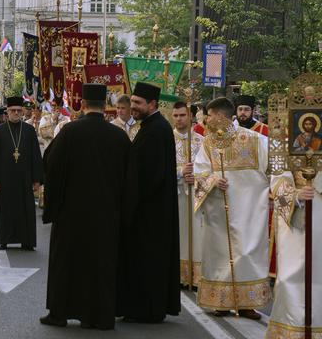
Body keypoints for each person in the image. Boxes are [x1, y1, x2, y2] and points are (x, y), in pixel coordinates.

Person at [40, 84, 129, 329]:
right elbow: (128, 176)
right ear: (105, 107)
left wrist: (53, 203)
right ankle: (99, 316)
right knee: (101, 262)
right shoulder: (119, 136)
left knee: (66, 262)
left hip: (72, 211)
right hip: (107, 212)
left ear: (81, 104)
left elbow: (50, 165)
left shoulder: (69, 132)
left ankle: (59, 313)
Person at [193, 97, 271, 320]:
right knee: (220, 255)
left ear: (220, 116)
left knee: (247, 254)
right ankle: (222, 300)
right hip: (219, 211)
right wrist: (213, 181)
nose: (206, 120)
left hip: (250, 212)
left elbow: (275, 170)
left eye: (209, 115)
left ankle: (247, 302)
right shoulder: (208, 143)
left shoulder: (256, 140)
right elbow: (200, 174)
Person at [116, 82, 181, 323]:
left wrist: (128, 201)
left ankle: (145, 309)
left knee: (146, 260)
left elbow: (146, 175)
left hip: (148, 211)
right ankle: (145, 307)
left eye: (137, 103)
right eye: (132, 102)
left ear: (152, 104)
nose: (133, 107)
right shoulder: (153, 127)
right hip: (151, 208)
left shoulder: (156, 130)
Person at [263, 171, 322, 339]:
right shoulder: (286, 139)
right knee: (290, 278)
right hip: (295, 218)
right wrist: (295, 195)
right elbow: (278, 178)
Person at [0, 96, 43, 251]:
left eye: (19, 110)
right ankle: (4, 239)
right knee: (6, 209)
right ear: (7, 111)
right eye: (13, 110)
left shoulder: (29, 130)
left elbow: (35, 156)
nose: (16, 113)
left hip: (25, 177)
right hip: (6, 178)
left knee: (27, 209)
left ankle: (27, 241)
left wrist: (37, 179)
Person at [172, 101, 204, 288]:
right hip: (175, 194)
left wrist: (197, 177)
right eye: (175, 115)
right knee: (178, 234)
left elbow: (210, 168)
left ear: (190, 116)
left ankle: (195, 275)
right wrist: (180, 172)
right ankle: (178, 275)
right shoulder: (167, 139)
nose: (179, 119)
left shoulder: (202, 140)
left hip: (196, 194)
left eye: (182, 115)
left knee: (196, 235)